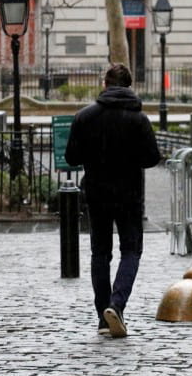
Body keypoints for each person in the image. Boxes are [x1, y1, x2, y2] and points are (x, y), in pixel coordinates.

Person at [65, 63, 161, 338]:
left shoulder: (85, 117)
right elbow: (152, 157)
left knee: (100, 253)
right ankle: (116, 305)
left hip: (96, 193)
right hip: (129, 194)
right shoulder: (138, 119)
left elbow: (72, 157)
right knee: (131, 251)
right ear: (129, 86)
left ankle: (103, 316)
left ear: (105, 85)